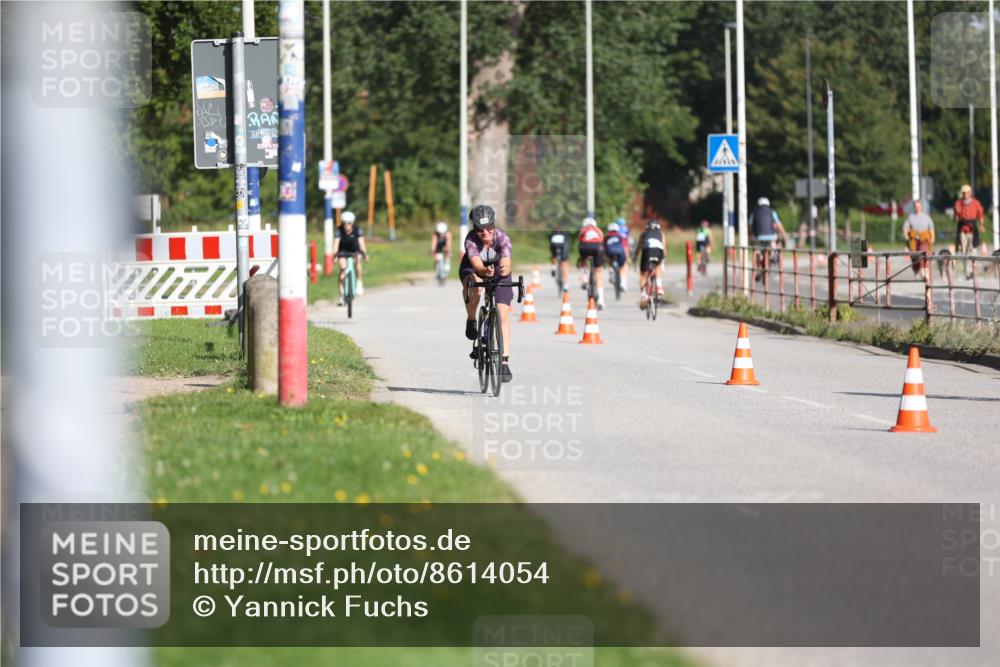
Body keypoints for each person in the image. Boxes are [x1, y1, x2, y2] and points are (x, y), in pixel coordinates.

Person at [460, 204, 514, 383]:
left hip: (498, 270)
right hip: (474, 268)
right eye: (479, 229)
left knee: (502, 312)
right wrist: (484, 271)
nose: (485, 233)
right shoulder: (471, 240)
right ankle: (471, 318)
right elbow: (476, 264)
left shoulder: (502, 238)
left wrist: (502, 270)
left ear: (494, 225)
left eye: (489, 228)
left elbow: (506, 263)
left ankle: (504, 362)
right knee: (474, 285)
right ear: (474, 228)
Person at [332, 211, 368, 306]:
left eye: (349, 223)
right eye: (344, 223)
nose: (346, 226)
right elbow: (336, 244)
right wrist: (334, 256)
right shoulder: (339, 230)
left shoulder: (357, 230)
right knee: (343, 268)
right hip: (342, 251)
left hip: (354, 250)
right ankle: (341, 296)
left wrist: (365, 254)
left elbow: (361, 243)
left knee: (358, 260)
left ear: (352, 223)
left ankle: (359, 283)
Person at [750, 196, 786, 282]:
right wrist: (784, 235)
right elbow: (779, 225)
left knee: (757, 252)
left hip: (758, 238)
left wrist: (751, 235)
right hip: (771, 238)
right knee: (775, 248)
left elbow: (750, 226)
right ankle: (774, 259)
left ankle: (757, 267)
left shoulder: (754, 213)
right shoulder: (772, 212)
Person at [632, 219, 665, 309]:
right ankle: (659, 286)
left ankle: (643, 295)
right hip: (658, 250)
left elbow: (639, 248)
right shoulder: (661, 234)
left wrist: (635, 257)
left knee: (643, 274)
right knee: (657, 265)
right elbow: (664, 250)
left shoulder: (643, 234)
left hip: (647, 251)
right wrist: (663, 259)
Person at [953, 184, 984, 277]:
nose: (964, 195)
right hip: (962, 230)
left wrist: (982, 225)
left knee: (972, 250)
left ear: (970, 193)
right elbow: (955, 219)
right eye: (963, 193)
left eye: (966, 193)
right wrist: (957, 213)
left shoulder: (976, 203)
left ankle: (972, 271)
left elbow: (980, 215)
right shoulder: (958, 203)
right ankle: (966, 271)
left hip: (972, 230)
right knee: (963, 251)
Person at [577, 216, 606, 309]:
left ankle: (585, 279)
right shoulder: (598, 230)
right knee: (598, 272)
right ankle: (601, 300)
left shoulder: (583, 230)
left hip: (585, 246)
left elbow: (580, 241)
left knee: (582, 261)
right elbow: (602, 240)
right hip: (597, 247)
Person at [902, 199, 935, 278]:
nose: (917, 208)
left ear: (921, 207)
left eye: (919, 206)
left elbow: (931, 228)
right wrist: (906, 237)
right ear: (914, 207)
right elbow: (906, 228)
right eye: (916, 206)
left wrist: (933, 237)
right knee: (914, 258)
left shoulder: (926, 217)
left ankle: (924, 271)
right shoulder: (911, 217)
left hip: (924, 240)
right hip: (914, 241)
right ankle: (917, 271)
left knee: (924, 255)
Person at [604, 221, 628, 292]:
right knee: (623, 266)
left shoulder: (606, 237)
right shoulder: (620, 236)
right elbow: (624, 247)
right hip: (620, 253)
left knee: (608, 256)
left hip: (610, 253)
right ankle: (623, 283)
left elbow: (604, 247)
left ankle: (611, 270)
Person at [548, 223, 570, 292]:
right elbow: (567, 242)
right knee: (564, 263)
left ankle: (553, 267)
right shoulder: (564, 234)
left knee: (553, 255)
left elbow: (550, 241)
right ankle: (566, 284)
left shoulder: (553, 233)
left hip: (554, 245)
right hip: (562, 246)